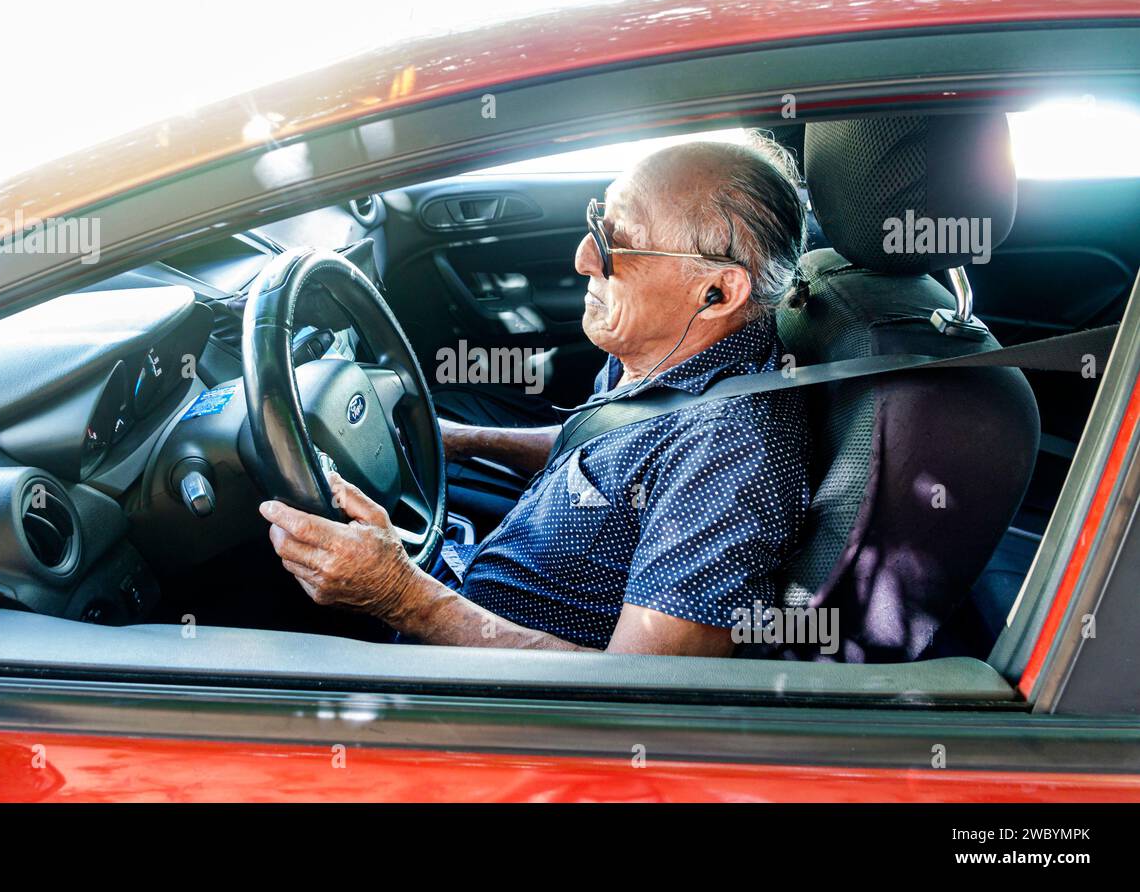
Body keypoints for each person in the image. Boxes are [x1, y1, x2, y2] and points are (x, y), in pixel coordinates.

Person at [260, 136, 811, 656]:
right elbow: (595, 452)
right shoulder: (664, 351)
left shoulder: (729, 458)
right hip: (475, 572)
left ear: (717, 292)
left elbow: (644, 695)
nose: (584, 258)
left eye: (617, 242)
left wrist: (399, 596)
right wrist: (459, 439)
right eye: (599, 220)